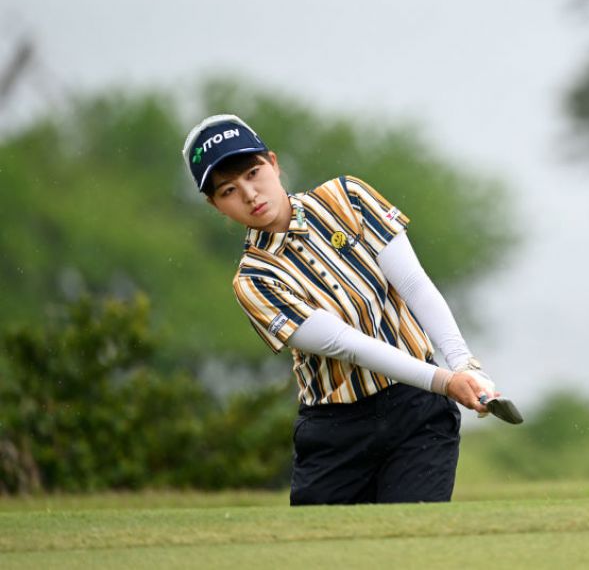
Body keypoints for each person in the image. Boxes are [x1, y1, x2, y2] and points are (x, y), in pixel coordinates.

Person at [181, 113, 515, 505]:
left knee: (411, 543)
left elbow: (413, 285)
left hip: (416, 414)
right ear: (215, 205)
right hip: (336, 435)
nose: (250, 194)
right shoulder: (254, 280)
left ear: (273, 162)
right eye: (228, 191)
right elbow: (346, 343)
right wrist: (446, 382)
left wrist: (465, 365)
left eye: (253, 173)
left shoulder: (348, 198)